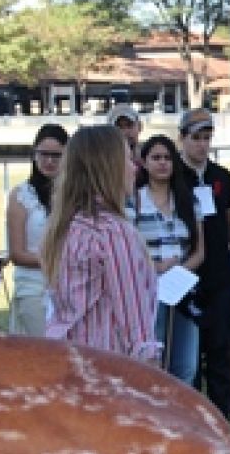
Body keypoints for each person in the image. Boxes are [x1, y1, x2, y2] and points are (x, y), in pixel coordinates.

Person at [42, 125, 159, 362]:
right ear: (109, 167)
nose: (134, 167)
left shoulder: (67, 225)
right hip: (106, 372)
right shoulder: (112, 232)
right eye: (127, 158)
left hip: (68, 363)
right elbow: (137, 332)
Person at [178, 107, 230, 419]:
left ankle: (221, 419)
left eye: (207, 138)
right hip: (185, 272)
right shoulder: (171, 175)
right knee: (189, 355)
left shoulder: (221, 176)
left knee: (219, 349)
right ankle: (192, 418)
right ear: (182, 138)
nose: (202, 144)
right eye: (196, 138)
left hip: (221, 274)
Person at [133, 134, 206, 385]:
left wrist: (178, 272)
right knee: (154, 362)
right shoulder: (134, 201)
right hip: (148, 290)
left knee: (186, 364)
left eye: (167, 158)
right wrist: (156, 268)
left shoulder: (188, 200)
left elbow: (199, 251)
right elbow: (129, 250)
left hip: (183, 289)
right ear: (144, 163)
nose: (162, 163)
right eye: (156, 158)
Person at [6, 123, 69, 336]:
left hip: (70, 287)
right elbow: (17, 253)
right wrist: (55, 261)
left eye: (56, 155)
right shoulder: (21, 195)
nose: (49, 161)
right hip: (33, 287)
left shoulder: (75, 196)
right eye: (43, 154)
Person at [107, 103, 143, 168]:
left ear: (140, 127)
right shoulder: (105, 162)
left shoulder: (152, 157)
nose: (125, 132)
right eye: (119, 127)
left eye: (129, 125)